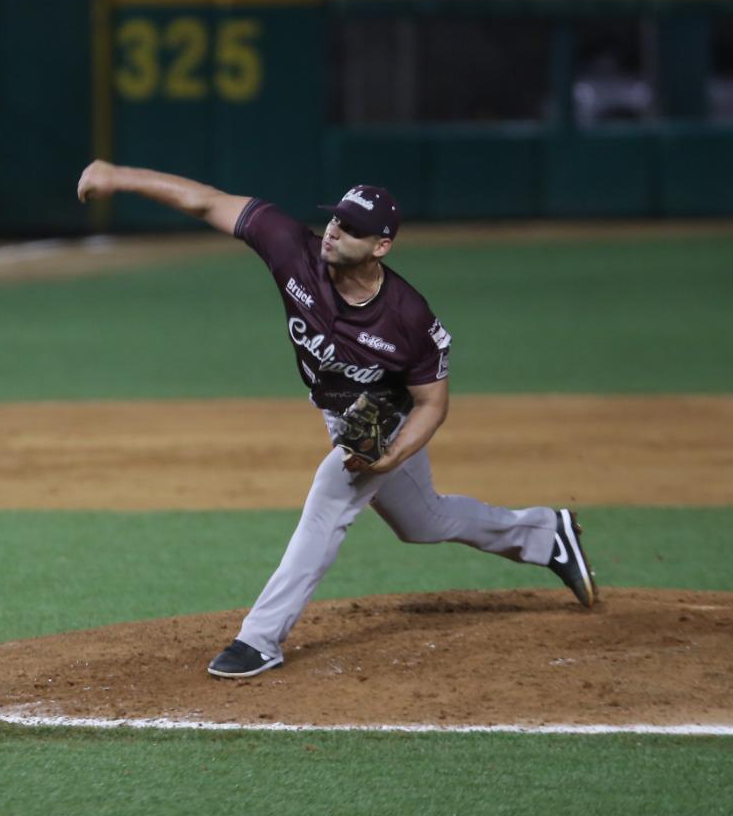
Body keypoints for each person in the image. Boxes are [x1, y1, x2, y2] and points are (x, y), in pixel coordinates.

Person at [75, 160, 597, 680]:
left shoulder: (407, 317)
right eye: (334, 219)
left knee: (330, 498)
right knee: (425, 522)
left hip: (384, 422)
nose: (333, 231)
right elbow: (207, 200)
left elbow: (432, 404)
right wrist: (118, 176)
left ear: (380, 246)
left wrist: (391, 455)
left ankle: (259, 639)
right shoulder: (290, 249)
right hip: (339, 415)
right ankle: (547, 534)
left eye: (350, 228)